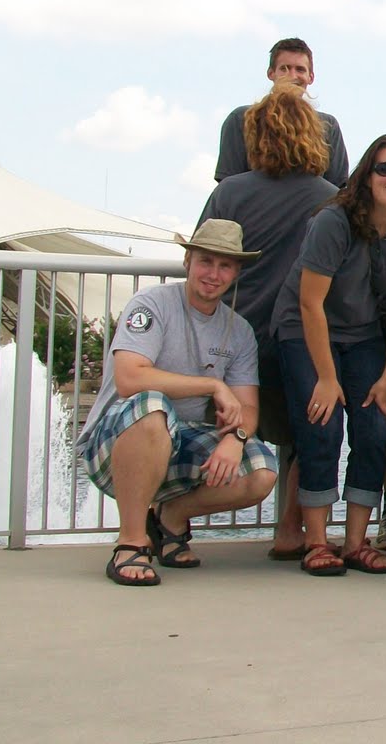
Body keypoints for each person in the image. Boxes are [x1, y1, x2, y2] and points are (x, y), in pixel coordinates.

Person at [77, 220, 277, 586]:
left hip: (180, 440)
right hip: (115, 442)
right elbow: (129, 378)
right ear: (187, 261)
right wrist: (212, 384)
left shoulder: (241, 331)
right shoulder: (151, 304)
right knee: (152, 407)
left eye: (225, 265)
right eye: (206, 261)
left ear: (237, 272)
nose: (213, 274)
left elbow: (247, 407)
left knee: (262, 470)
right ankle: (131, 542)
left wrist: (236, 440)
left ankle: (170, 517)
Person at [269, 137, 386, 576]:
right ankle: (317, 541)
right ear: (366, 175)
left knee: (375, 428)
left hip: (362, 335)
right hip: (305, 329)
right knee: (322, 424)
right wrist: (326, 377)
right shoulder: (333, 221)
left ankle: (357, 542)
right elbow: (309, 304)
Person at [197, 83, 338, 562]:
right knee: (307, 431)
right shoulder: (330, 199)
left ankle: (168, 516)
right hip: (297, 335)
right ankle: (290, 527)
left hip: (232, 335)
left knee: (206, 428)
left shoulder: (230, 193)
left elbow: (204, 257)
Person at [214, 37, 349, 186]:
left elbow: (337, 188)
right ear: (271, 73)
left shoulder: (328, 125)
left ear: (311, 77)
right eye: (284, 68)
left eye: (300, 69)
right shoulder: (241, 119)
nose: (292, 76)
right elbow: (228, 186)